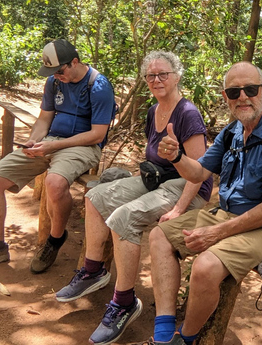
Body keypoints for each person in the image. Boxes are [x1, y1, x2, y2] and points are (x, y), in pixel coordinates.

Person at [142, 62, 262, 345]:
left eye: (250, 89)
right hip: (226, 214)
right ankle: (165, 329)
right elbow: (199, 173)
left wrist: (216, 233)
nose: (242, 97)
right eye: (234, 92)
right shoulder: (232, 132)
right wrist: (177, 157)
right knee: (159, 235)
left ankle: (186, 337)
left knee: (205, 267)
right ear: (225, 97)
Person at [53, 51, 212, 345]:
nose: (156, 80)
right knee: (96, 195)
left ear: (177, 76)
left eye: (163, 74)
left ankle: (124, 302)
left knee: (124, 217)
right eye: (150, 75)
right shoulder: (153, 111)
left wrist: (179, 209)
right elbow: (155, 156)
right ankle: (93, 270)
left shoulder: (187, 113)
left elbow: (200, 171)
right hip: (157, 180)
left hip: (186, 188)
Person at [0, 39, 116, 274]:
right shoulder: (54, 82)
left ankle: (54, 240)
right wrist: (34, 140)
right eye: (52, 73)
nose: (56, 76)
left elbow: (97, 134)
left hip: (83, 146)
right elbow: (44, 118)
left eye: (59, 71)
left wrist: (52, 147)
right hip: (50, 141)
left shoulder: (99, 86)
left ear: (74, 62)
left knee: (54, 183)